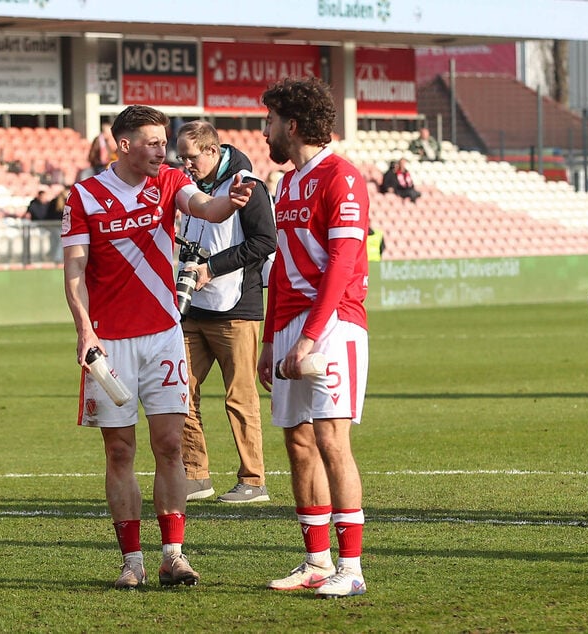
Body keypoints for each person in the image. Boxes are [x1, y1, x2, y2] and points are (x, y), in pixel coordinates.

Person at [61, 104, 255, 590]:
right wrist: (84, 329)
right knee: (119, 451)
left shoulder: (168, 181)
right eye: (152, 142)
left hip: (164, 333)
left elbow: (205, 208)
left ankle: (173, 555)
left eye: (163, 142)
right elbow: (75, 270)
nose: (161, 151)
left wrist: (231, 202)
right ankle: (132, 562)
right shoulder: (85, 196)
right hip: (110, 341)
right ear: (124, 145)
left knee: (170, 444)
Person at [257, 77, 370, 598]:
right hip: (289, 328)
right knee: (298, 441)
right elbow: (281, 269)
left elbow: (343, 264)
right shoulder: (286, 185)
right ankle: (317, 562)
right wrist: (269, 341)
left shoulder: (341, 177)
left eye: (270, 121)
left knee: (330, 439)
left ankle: (352, 569)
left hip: (333, 326)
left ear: (293, 124)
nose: (265, 132)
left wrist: (309, 337)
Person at [174, 120, 276, 504]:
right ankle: (195, 475)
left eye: (191, 157)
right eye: (181, 158)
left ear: (212, 151)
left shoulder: (249, 185)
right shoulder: (192, 187)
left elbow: (265, 241)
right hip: (192, 308)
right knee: (179, 390)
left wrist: (212, 268)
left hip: (236, 309)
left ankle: (253, 480)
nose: (186, 164)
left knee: (240, 396)